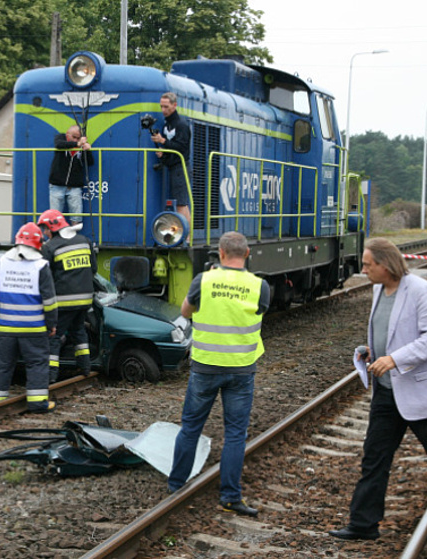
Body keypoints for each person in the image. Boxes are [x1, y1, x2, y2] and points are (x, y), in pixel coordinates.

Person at [329, 238, 427, 541]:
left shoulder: (420, 291)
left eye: (368, 265)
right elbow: (390, 334)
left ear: (386, 265)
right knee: (374, 458)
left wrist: (394, 359)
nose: (363, 270)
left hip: (420, 394)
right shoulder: (379, 290)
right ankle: (363, 525)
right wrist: (372, 351)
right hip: (386, 394)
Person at [168, 231, 270, 516]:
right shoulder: (260, 285)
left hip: (205, 367)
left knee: (191, 427)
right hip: (241, 369)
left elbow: (185, 312)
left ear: (221, 253)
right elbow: (260, 312)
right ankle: (230, 496)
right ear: (247, 254)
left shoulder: (205, 280)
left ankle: (176, 485)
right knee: (236, 434)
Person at [0, 222, 58, 413]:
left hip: (6, 327)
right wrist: (51, 323)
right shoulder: (41, 266)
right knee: (37, 365)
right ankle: (37, 404)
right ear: (38, 244)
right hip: (34, 329)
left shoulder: (1, 263)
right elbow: (49, 301)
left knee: (2, 364)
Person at [37, 209, 97, 383]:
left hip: (63, 302)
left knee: (54, 337)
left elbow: (44, 277)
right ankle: (85, 368)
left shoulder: (49, 248)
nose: (44, 233)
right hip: (86, 299)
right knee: (79, 332)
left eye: (45, 229)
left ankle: (50, 377)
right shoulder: (84, 241)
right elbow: (93, 269)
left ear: (53, 228)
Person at [150, 92, 191, 224]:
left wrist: (162, 141)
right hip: (172, 167)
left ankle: (187, 238)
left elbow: (182, 147)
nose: (163, 110)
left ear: (174, 105)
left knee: (181, 203)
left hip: (181, 167)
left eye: (166, 107)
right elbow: (171, 146)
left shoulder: (181, 125)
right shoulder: (166, 125)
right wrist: (164, 153)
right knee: (178, 202)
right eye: (161, 106)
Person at [48, 125, 94, 224]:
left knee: (76, 217)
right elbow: (58, 144)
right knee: (54, 217)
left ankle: (73, 237)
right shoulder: (61, 137)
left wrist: (87, 151)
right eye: (74, 137)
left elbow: (89, 163)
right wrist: (77, 143)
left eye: (78, 137)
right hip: (57, 185)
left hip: (74, 186)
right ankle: (56, 238)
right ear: (67, 134)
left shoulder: (82, 145)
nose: (76, 139)